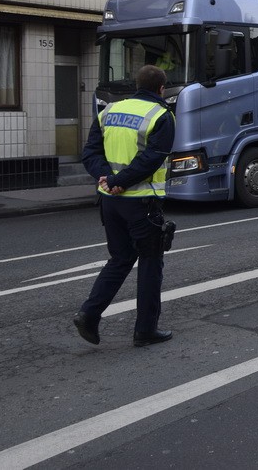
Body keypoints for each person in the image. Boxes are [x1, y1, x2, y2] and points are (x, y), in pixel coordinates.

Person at [73, 65, 176, 347]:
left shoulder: (108, 111)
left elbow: (90, 152)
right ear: (161, 89)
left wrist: (107, 179)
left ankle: (89, 314)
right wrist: (121, 180)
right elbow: (152, 158)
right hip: (141, 202)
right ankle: (145, 330)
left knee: (120, 259)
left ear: (136, 85)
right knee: (151, 262)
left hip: (109, 202)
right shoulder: (161, 115)